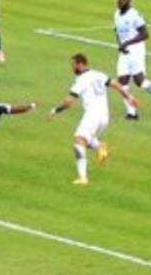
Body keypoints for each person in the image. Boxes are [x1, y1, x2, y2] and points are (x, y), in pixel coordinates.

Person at [49, 53, 138, 185]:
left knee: (79, 140)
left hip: (92, 115)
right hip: (104, 116)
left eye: (73, 65)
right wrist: (129, 97)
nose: (72, 68)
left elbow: (68, 103)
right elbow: (116, 84)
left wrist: (55, 110)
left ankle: (83, 178)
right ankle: (100, 146)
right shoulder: (98, 74)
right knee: (86, 140)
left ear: (80, 64)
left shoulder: (81, 80)